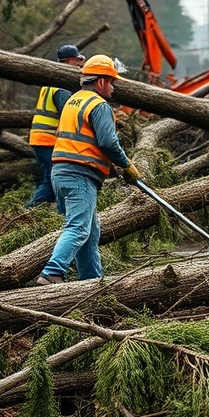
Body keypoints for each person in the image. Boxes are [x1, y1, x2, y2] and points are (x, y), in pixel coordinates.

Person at [36, 54, 140, 285]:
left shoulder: (74, 101)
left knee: (90, 233)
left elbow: (85, 142)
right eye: (111, 82)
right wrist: (126, 164)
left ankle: (91, 282)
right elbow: (108, 143)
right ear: (101, 82)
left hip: (61, 172)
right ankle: (52, 272)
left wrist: (108, 167)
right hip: (79, 174)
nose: (113, 88)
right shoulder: (99, 105)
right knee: (79, 228)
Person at [27, 43, 86, 207]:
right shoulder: (61, 85)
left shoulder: (50, 82)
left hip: (40, 139)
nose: (79, 65)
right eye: (76, 60)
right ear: (67, 61)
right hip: (48, 140)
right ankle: (29, 212)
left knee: (50, 178)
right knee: (54, 181)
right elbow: (68, 113)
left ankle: (35, 212)